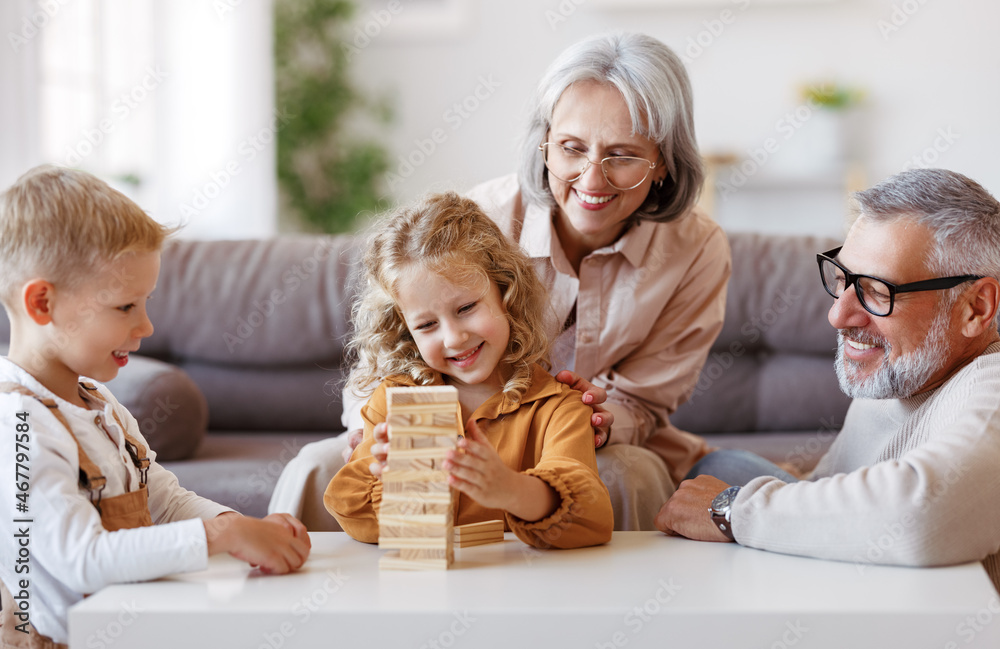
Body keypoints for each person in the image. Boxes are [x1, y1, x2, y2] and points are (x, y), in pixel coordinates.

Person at [271, 31, 731, 532]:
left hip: (575, 439)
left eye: (622, 155)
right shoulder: (479, 221)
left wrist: (593, 424)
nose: (592, 179)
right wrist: (381, 430)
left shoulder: (697, 250)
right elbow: (386, 359)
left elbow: (641, 404)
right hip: (454, 428)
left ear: (663, 160)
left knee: (629, 472)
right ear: (545, 144)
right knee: (315, 467)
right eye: (572, 148)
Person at [0, 166, 311, 647]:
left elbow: (162, 501)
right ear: (43, 303)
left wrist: (240, 526)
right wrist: (220, 539)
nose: (146, 326)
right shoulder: (17, 425)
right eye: (125, 307)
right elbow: (82, 558)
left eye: (146, 302)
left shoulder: (99, 405)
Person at [656, 167, 1000, 591]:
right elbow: (828, 491)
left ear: (975, 308)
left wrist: (729, 509)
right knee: (720, 465)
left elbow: (926, 513)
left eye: (877, 291)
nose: (837, 315)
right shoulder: (897, 374)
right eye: (843, 280)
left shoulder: (991, 384)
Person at [326, 192, 614, 548]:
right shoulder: (395, 400)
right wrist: (396, 481)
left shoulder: (558, 407)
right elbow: (354, 518)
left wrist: (511, 490)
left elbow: (590, 518)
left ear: (506, 292)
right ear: (405, 330)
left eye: (465, 308)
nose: (454, 337)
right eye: (427, 324)